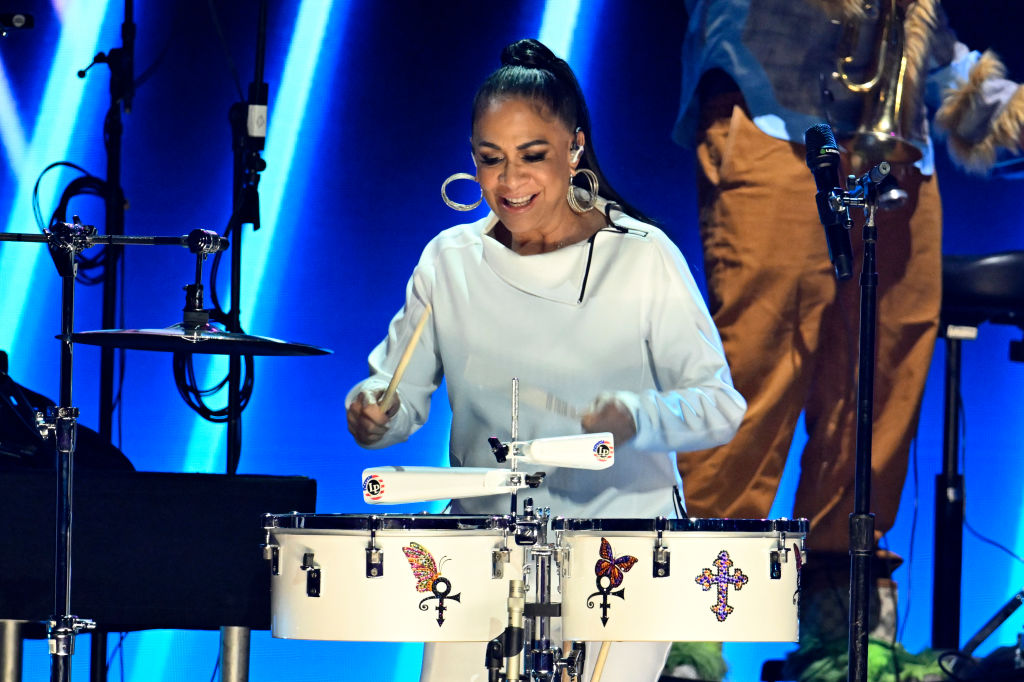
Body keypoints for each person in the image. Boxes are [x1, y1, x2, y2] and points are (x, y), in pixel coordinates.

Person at [346, 38, 747, 682]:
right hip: (484, 553)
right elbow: (399, 396)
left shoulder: (641, 257)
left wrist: (637, 417)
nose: (510, 182)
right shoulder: (449, 261)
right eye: (490, 160)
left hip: (622, 553)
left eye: (533, 157)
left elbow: (720, 406)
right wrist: (375, 413)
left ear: (574, 149)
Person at [671, 0, 1024, 673]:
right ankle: (685, 628)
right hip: (775, 119)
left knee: (878, 387)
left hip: (898, 158)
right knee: (758, 371)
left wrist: (1006, 112)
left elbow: (940, 58)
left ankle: (843, 631)